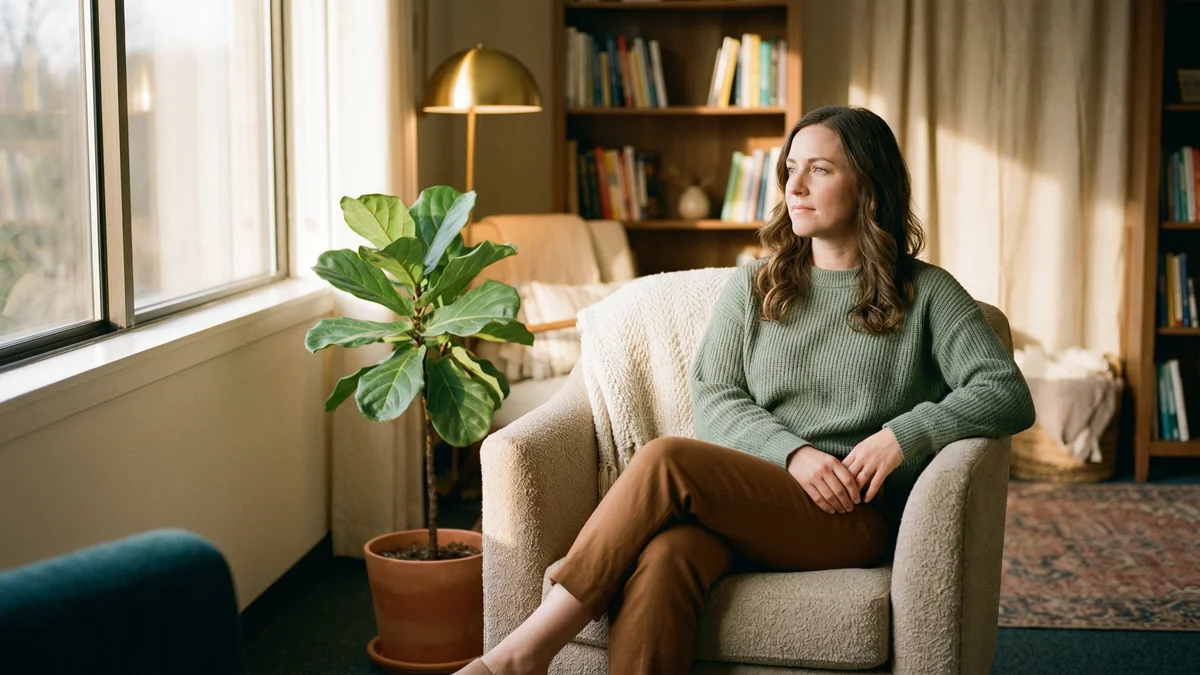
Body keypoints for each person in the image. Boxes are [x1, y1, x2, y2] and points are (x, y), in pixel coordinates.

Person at [456, 105, 1036, 675]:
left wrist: (902, 436)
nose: (795, 185)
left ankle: (525, 651)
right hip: (748, 502)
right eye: (790, 168)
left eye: (821, 169)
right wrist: (793, 453)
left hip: (851, 516)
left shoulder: (927, 292)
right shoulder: (756, 284)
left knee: (666, 461)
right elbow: (714, 396)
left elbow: (1005, 390)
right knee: (663, 559)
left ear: (868, 186)